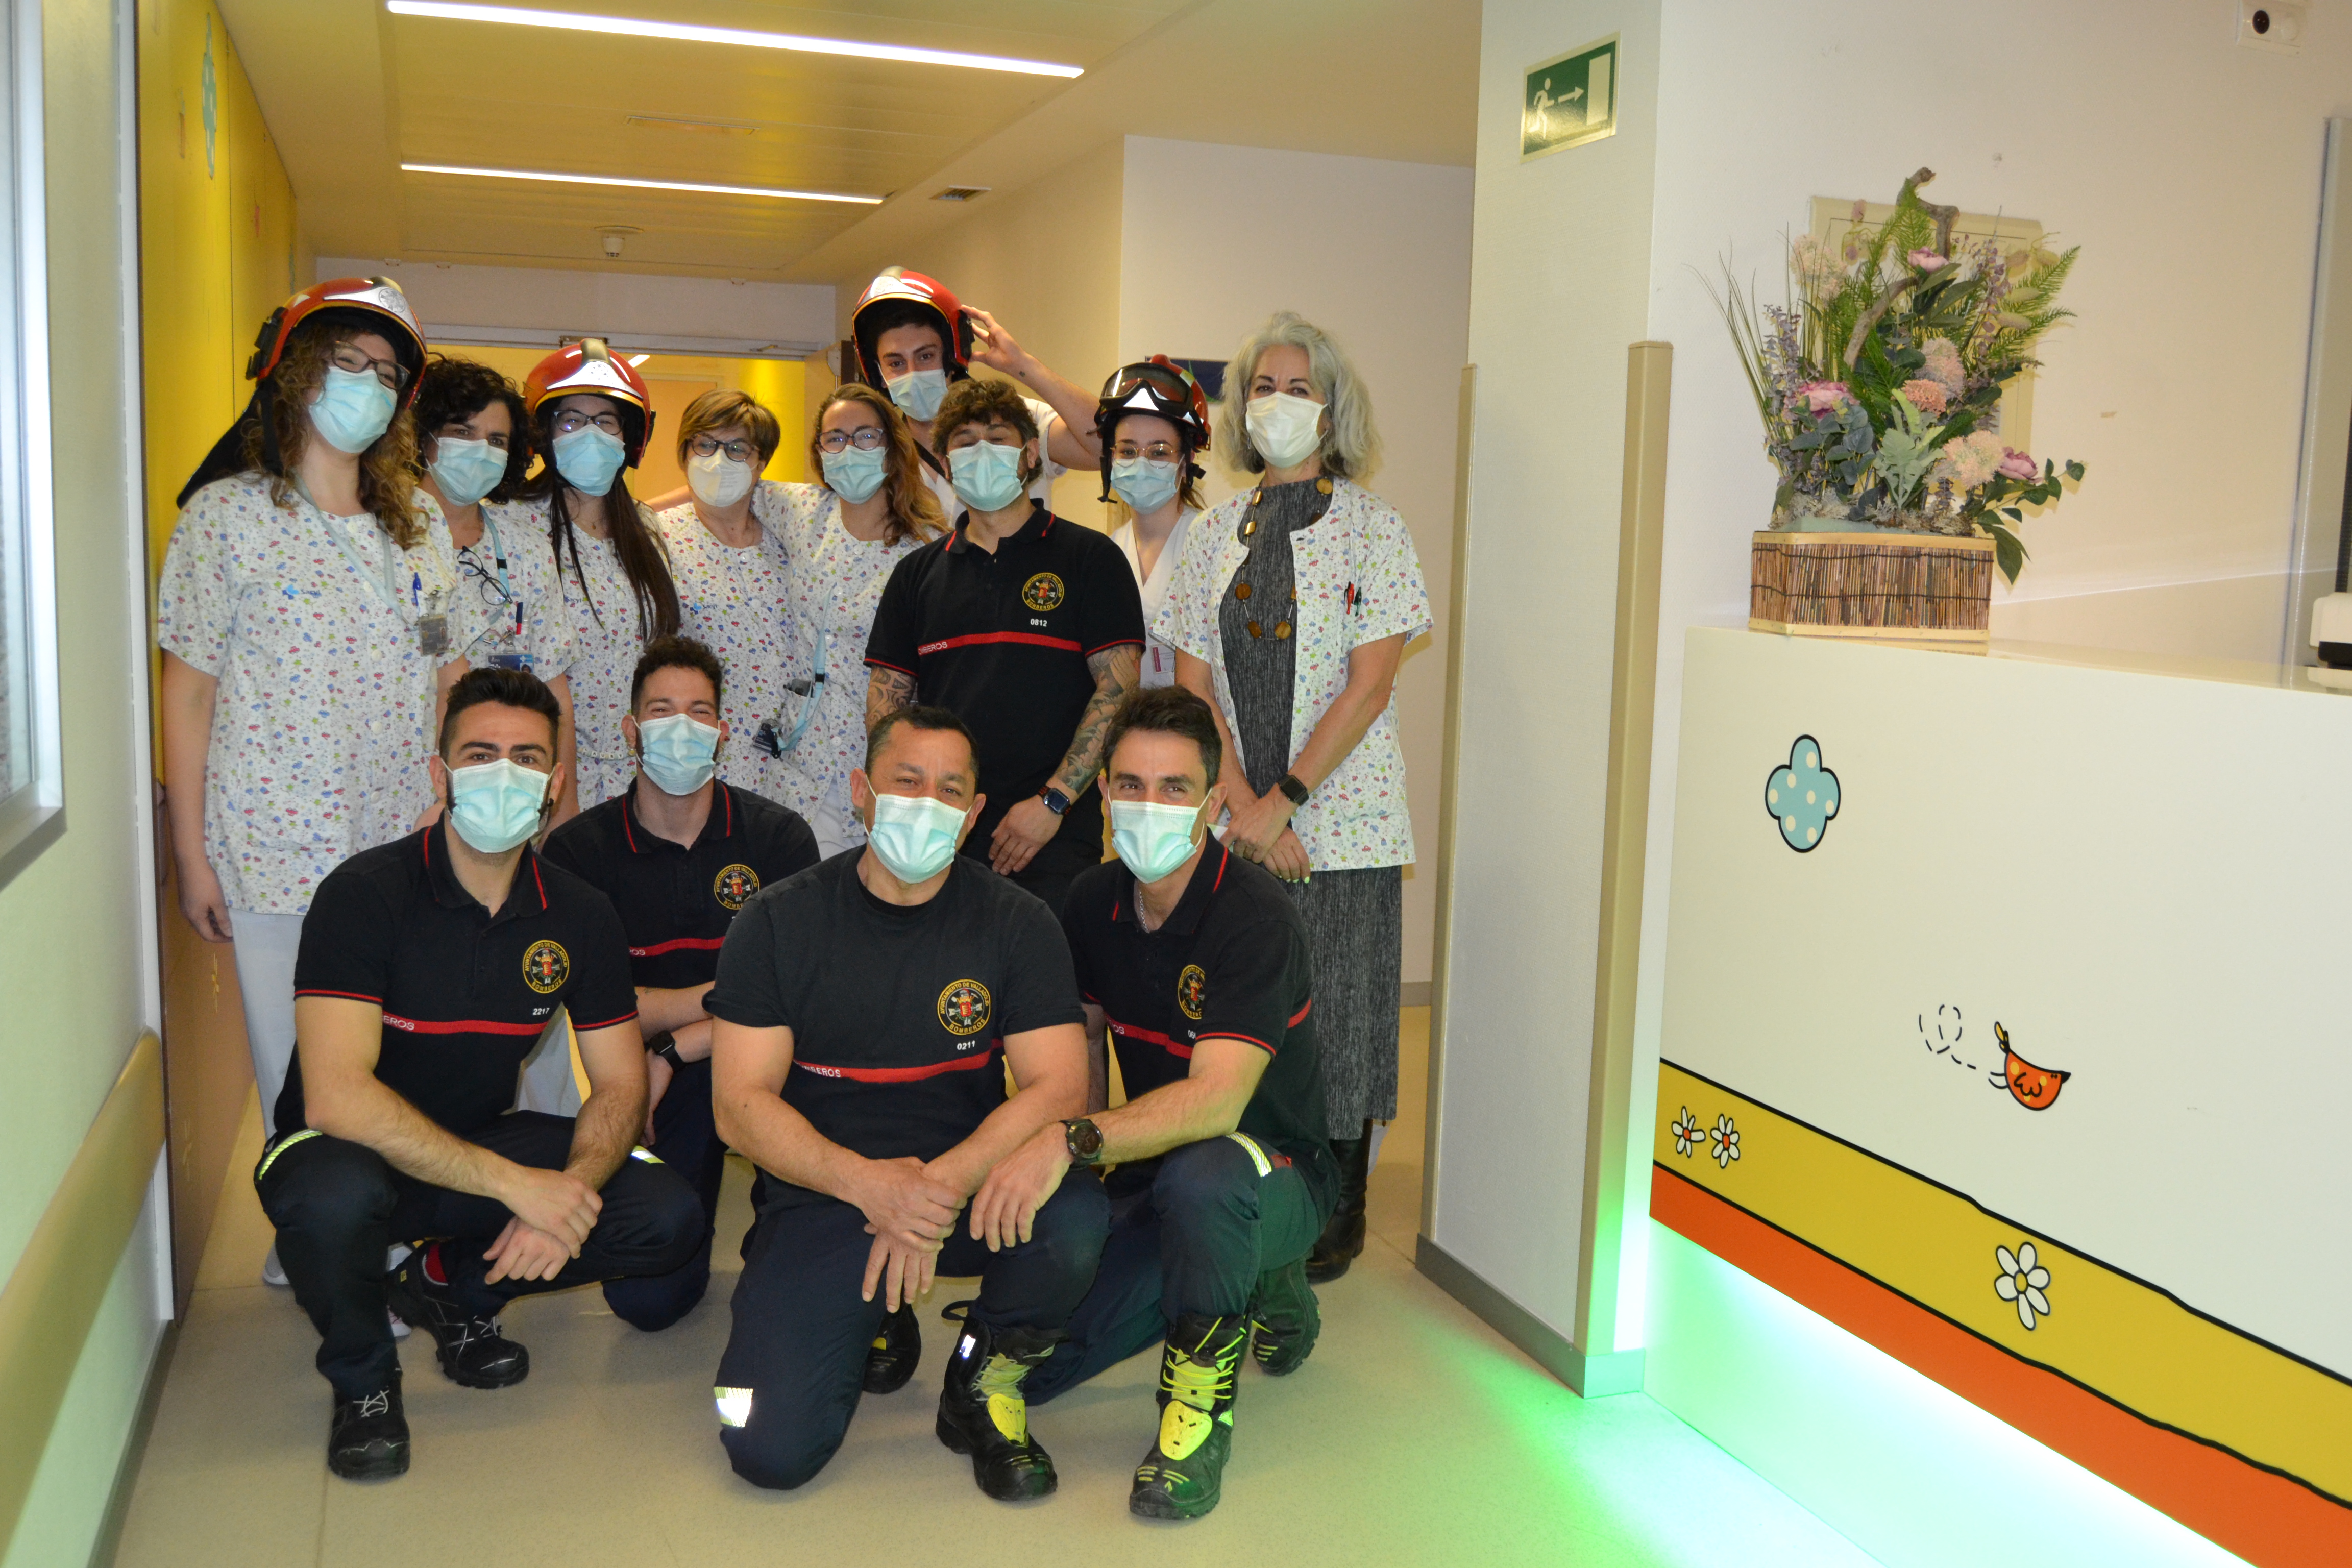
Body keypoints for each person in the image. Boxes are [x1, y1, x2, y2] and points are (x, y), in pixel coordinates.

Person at [253, 668, 701, 1480]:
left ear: (554, 783)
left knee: (664, 1212)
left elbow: (621, 1084)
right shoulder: (365, 895)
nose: (505, 775)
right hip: (339, 1150)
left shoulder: (580, 914)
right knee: (332, 1199)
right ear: (441, 774)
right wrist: (518, 1187)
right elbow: (336, 1096)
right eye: (480, 755)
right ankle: (364, 1383)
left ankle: (451, 1289)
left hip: (475, 1141)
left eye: (527, 758)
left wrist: (568, 1192)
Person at [705, 706, 1108, 1498]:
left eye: (950, 790)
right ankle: (866, 1309)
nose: (927, 803)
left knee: (1074, 1217)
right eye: (907, 781)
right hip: (826, 1192)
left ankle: (983, 1375)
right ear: (862, 791)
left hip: (966, 1183)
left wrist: (936, 1188)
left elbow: (1061, 1086)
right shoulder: (778, 920)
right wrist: (870, 1186)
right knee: (769, 1452)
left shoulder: (1018, 922)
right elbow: (739, 1106)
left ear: (975, 812)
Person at [157, 278, 461, 1256]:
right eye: (349, 364)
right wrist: (193, 854)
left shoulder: (418, 526)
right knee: (295, 1065)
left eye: (388, 373)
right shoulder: (226, 519)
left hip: (403, 840)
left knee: (400, 1057)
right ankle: (320, 1247)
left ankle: (389, 1237)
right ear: (294, 374)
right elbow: (189, 691)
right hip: (273, 843)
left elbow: (447, 670)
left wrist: (456, 803)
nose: (370, 386)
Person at [1005, 687, 1335, 1520]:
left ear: (1213, 801)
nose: (1148, 806)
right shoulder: (1091, 901)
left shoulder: (1253, 918)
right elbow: (1081, 1045)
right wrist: (1078, 1177)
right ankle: (1247, 1277)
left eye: (1174, 788)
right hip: (1158, 1167)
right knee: (1045, 1370)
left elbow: (1216, 1105)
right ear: (1103, 793)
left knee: (1206, 1177)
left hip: (1273, 1174)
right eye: (1130, 785)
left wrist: (1072, 1140)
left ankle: (1199, 1412)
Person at [1156, 311, 1431, 1283]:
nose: (1277, 404)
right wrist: (1243, 806)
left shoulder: (1373, 528)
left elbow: (1370, 684)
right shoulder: (1208, 535)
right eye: (1262, 388)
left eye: (1298, 388)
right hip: (1237, 820)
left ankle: (1338, 1202)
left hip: (1341, 820)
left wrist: (1287, 800)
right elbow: (1191, 684)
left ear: (1331, 409)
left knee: (1345, 1011)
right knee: (1245, 1006)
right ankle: (1251, 1180)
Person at [542, 635, 819, 1330]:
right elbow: (600, 1010)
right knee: (649, 1303)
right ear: (630, 730)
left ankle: (784, 1233)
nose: (681, 727)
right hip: (641, 1073)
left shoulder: (779, 839)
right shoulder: (579, 853)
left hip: (761, 1062)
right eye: (662, 711)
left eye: (699, 712)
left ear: (722, 733)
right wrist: (716, 1004)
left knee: (798, 1271)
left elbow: (793, 1002)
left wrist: (674, 1046)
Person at [864, 377, 1145, 913]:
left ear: (1030, 454)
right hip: (940, 830)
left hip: (1054, 832)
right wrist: (914, 805)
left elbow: (1119, 690)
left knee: (1051, 966)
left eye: (997, 438)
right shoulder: (915, 575)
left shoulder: (1089, 558)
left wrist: (1053, 801)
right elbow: (886, 704)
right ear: (947, 465)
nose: (981, 452)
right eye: (965, 442)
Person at [767, 383, 945, 856]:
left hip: (878, 759)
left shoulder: (926, 549)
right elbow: (729, 492)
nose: (849, 449)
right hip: (800, 763)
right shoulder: (801, 510)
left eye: (866, 436)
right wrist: (639, 513)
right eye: (836, 438)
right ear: (819, 451)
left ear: (892, 446)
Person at [519, 339, 679, 812]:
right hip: (546, 775)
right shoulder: (514, 524)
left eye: (606, 421)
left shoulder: (646, 528)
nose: (590, 434)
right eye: (571, 420)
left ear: (629, 436)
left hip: (641, 776)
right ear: (544, 433)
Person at [411, 354, 579, 804]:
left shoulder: (526, 549)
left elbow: (555, 692)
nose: (480, 449)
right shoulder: (385, 537)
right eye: (463, 432)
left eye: (497, 440)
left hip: (506, 785)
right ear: (424, 437)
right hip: (404, 773)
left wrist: (563, 806)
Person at [847, 267, 1101, 518]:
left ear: (952, 356)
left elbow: (1104, 445)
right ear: (879, 373)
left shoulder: (1016, 419)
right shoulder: (875, 452)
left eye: (926, 356)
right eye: (896, 363)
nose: (912, 373)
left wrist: (1024, 366)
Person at [654, 390, 797, 800]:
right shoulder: (656, 539)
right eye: (705, 444)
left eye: (738, 449)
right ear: (684, 452)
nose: (719, 460)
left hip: (788, 761)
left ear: (761, 462)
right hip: (694, 758)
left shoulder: (787, 540)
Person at [1096, 358, 1214, 689]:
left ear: (1186, 462)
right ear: (1111, 459)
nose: (1141, 463)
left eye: (1159, 452)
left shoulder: (1211, 545)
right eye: (1128, 451)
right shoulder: (1106, 552)